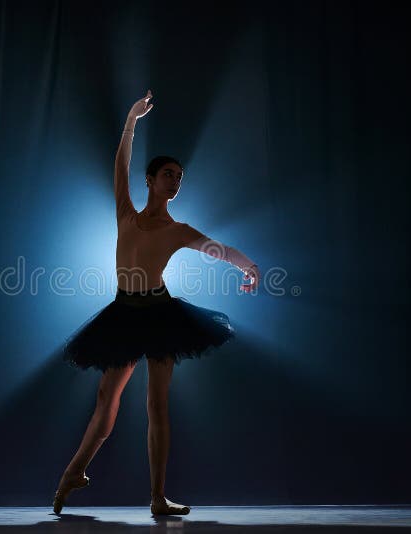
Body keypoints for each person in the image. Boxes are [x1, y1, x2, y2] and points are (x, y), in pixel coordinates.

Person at [53, 90, 261, 516]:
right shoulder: (126, 212)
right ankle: (71, 474)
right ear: (150, 180)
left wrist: (249, 267)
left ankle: (157, 497)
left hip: (161, 313)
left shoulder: (179, 229)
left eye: (180, 177)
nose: (175, 181)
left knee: (157, 404)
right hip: (124, 314)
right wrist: (132, 118)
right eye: (168, 174)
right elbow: (120, 164)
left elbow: (216, 249)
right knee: (106, 404)